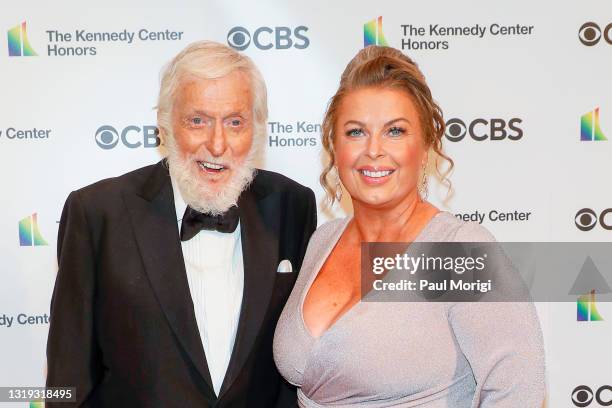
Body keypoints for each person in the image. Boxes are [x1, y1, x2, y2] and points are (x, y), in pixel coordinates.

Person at [46, 41, 317, 407]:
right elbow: (68, 379)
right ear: (165, 124)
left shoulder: (291, 205)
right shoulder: (97, 213)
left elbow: (293, 373)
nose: (217, 144)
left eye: (234, 122)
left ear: (256, 128)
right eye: (198, 121)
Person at [273, 45, 545, 407]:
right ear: (333, 146)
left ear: (427, 144)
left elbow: (518, 392)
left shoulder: (459, 249)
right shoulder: (323, 241)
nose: (373, 150)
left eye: (395, 131)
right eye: (355, 132)